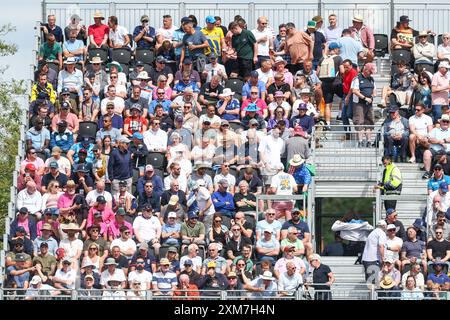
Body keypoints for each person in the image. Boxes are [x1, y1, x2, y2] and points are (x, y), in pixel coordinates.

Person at [351, 63, 377, 147]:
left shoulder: (372, 79)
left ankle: (369, 141)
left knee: (369, 121)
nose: (371, 73)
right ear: (366, 70)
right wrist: (365, 98)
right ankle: (360, 141)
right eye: (370, 71)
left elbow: (374, 90)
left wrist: (372, 96)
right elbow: (354, 90)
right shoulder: (357, 78)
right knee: (360, 121)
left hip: (369, 104)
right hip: (359, 104)